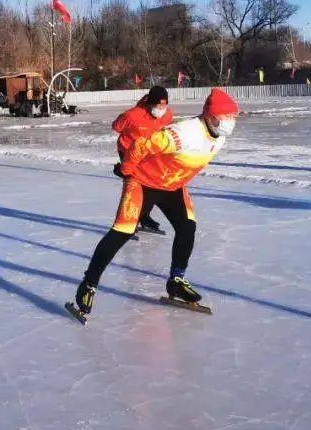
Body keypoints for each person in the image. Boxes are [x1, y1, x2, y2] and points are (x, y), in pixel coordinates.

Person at [71, 88, 240, 317]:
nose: (231, 123)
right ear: (211, 116)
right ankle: (88, 284)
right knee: (123, 231)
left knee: (187, 226)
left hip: (171, 185)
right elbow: (141, 145)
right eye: (227, 117)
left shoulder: (218, 137)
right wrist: (126, 169)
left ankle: (176, 281)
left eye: (233, 118)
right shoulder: (183, 134)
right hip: (143, 182)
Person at [111, 86, 174, 235]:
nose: (162, 109)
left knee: (151, 186)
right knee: (132, 187)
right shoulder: (132, 115)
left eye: (165, 105)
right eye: (159, 105)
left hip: (148, 152)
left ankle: (143, 216)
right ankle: (125, 223)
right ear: (150, 103)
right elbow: (116, 127)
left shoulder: (167, 115)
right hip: (128, 151)